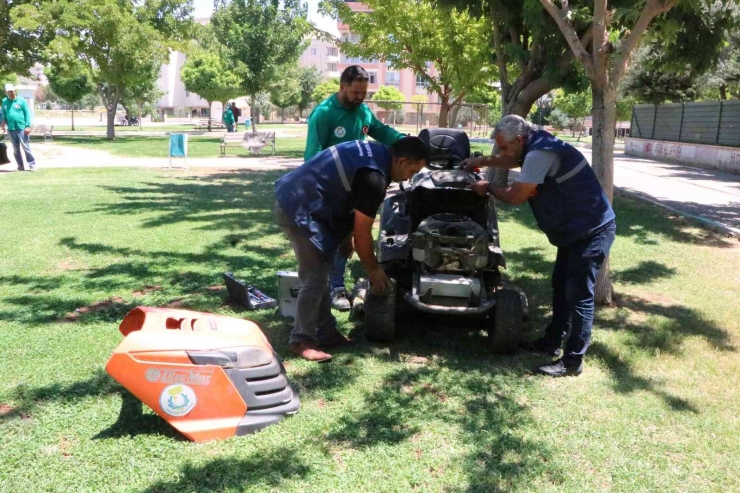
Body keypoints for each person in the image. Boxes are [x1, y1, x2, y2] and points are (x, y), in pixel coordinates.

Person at [462, 115, 616, 377]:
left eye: (504, 146)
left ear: (519, 139)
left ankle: (572, 361)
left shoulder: (539, 154)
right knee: (560, 286)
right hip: (574, 231)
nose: (501, 151)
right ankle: (551, 342)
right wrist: (482, 161)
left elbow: (516, 196)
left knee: (579, 296)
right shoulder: (535, 144)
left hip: (590, 231)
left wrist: (487, 186)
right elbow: (512, 159)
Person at [275, 137, 428, 362]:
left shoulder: (377, 152)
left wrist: (344, 238)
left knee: (323, 272)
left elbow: (349, 197)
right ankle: (301, 340)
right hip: (297, 206)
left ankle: (326, 332)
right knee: (315, 277)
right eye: (413, 171)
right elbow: (363, 233)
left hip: (308, 202)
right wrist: (373, 269)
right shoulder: (374, 177)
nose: (410, 177)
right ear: (402, 161)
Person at [305, 65, 406, 311]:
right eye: (356, 92)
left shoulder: (363, 112)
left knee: (349, 235)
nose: (360, 97)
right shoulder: (324, 113)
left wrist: (406, 141)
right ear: (342, 87)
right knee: (334, 237)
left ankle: (336, 285)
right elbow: (312, 156)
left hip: (356, 186)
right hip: (330, 187)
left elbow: (382, 132)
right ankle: (331, 287)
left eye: (364, 92)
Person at [1, 84, 36, 172]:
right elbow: (4, 113)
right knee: (16, 149)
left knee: (26, 147)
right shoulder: (4, 101)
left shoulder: (22, 101)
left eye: (12, 91)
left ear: (15, 91)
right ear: (6, 92)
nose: (10, 93)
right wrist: (3, 122)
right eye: (8, 91)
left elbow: (27, 114)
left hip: (21, 128)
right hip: (11, 129)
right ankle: (20, 166)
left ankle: (32, 164)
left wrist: (27, 126)